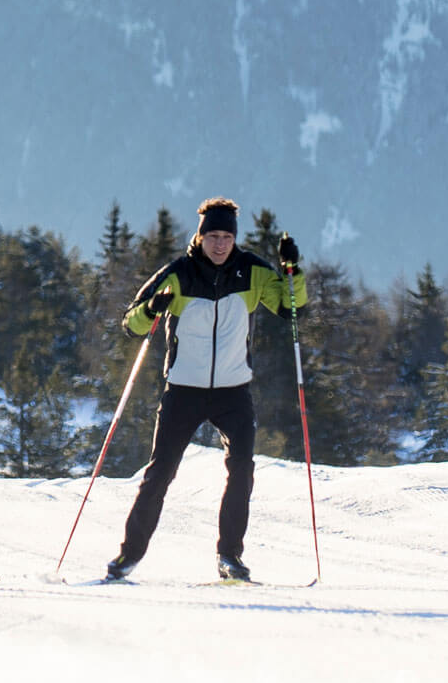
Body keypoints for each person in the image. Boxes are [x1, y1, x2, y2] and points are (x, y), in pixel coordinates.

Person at [106, 198, 306, 583]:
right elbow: (130, 323)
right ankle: (128, 556)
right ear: (200, 236)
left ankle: (229, 557)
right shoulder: (178, 274)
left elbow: (291, 309)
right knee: (160, 473)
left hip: (234, 392)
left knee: (242, 469)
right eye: (213, 236)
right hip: (183, 390)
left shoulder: (253, 272)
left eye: (227, 237)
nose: (220, 244)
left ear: (234, 238)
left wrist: (292, 270)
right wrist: (152, 308)